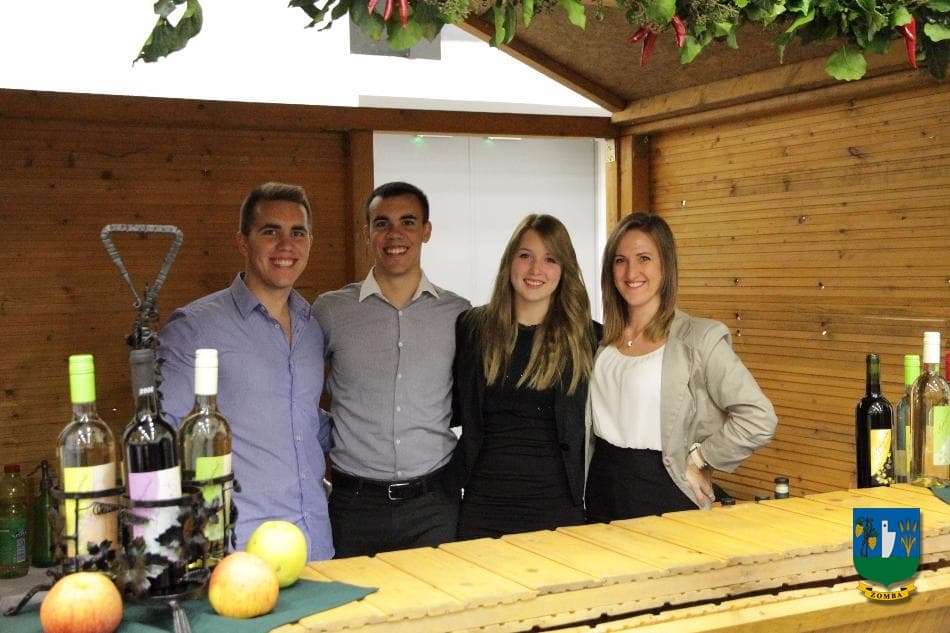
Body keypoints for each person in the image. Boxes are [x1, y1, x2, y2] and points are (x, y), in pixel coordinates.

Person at [158, 182, 333, 560]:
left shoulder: (311, 326)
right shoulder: (195, 327)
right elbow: (163, 440)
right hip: (236, 551)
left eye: (297, 233)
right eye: (270, 231)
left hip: (315, 542)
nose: (286, 245)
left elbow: (302, 420)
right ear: (243, 242)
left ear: (309, 243)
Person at [585, 212, 777, 522]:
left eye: (644, 258)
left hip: (664, 492)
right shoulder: (602, 341)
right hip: (601, 491)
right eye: (620, 260)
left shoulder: (699, 339)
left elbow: (759, 418)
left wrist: (702, 459)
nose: (631, 271)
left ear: (665, 266)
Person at [313, 181, 470, 557]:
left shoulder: (459, 314)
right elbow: (293, 388)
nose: (394, 234)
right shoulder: (330, 311)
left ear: (426, 231)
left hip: (434, 505)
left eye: (408, 222)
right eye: (381, 223)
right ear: (367, 232)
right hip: (354, 507)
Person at [450, 214, 600, 539]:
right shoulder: (472, 328)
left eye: (550, 259)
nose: (535, 270)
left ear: (565, 270)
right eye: (525, 256)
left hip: (559, 508)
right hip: (482, 508)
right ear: (509, 261)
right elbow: (450, 411)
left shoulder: (590, 339)